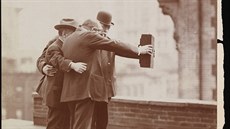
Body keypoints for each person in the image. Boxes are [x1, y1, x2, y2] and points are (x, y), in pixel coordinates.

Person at [61, 19, 153, 129]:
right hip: (85, 91)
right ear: (93, 29)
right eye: (98, 32)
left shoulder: (68, 40)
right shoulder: (88, 35)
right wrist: (138, 50)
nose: (100, 35)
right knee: (82, 126)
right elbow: (112, 44)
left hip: (70, 92)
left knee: (74, 125)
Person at [36, 18, 87, 129]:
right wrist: (72, 65)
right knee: (55, 123)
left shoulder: (72, 43)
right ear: (64, 33)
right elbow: (53, 59)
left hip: (65, 93)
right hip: (56, 92)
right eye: (73, 34)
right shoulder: (54, 45)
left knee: (65, 123)